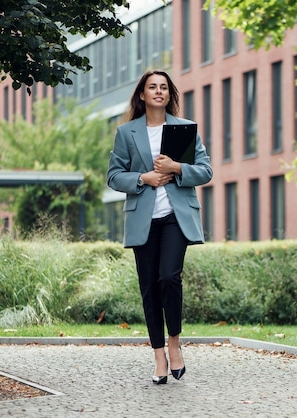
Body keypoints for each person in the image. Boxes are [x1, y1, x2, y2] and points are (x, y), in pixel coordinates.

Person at [107, 70, 213, 385]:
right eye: (152, 87)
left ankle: (175, 342)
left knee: (169, 276)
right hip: (143, 218)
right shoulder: (127, 133)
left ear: (169, 94)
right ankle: (158, 355)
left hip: (176, 216)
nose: (158, 91)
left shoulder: (184, 130)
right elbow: (114, 175)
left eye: (163, 87)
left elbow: (205, 170)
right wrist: (144, 178)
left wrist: (175, 167)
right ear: (142, 94)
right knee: (149, 286)